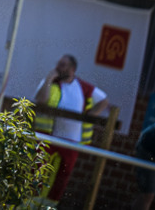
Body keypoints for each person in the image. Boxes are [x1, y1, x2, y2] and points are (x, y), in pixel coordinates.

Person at [34, 54, 109, 203]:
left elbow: (104, 100)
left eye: (63, 65)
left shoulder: (83, 87)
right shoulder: (50, 82)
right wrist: (49, 78)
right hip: (49, 137)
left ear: (72, 69)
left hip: (71, 140)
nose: (58, 67)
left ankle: (49, 206)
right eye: (58, 63)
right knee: (37, 172)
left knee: (62, 178)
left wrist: (90, 115)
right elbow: (41, 100)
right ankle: (30, 204)